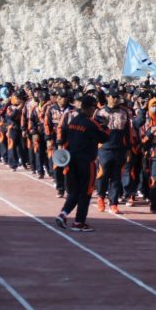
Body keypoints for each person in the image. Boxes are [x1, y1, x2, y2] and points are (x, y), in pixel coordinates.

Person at [55, 95, 110, 232]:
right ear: (89, 108)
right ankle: (79, 222)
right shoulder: (91, 123)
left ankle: (63, 214)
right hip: (86, 162)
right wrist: (105, 126)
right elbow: (104, 138)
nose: (94, 111)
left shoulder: (73, 121)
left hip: (71, 160)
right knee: (86, 192)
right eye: (93, 108)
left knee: (74, 191)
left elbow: (65, 137)